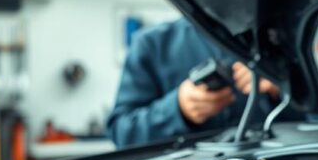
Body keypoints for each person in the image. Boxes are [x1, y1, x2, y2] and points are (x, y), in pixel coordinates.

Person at [107, 17, 303, 147]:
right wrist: (178, 110)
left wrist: (280, 91)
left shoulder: (276, 42)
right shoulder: (152, 44)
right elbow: (121, 133)